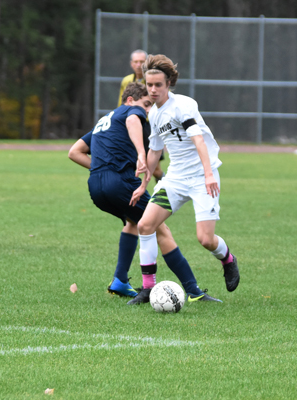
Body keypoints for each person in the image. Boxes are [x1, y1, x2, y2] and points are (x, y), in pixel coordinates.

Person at [69, 82, 218, 304]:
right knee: (160, 229)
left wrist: (103, 168)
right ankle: (194, 291)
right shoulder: (132, 112)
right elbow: (133, 121)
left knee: (133, 223)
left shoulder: (106, 119)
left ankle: (120, 280)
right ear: (130, 100)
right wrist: (140, 152)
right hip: (120, 183)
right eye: (146, 104)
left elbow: (74, 152)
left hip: (96, 187)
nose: (149, 110)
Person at [128, 54, 240, 305]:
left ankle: (227, 259)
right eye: (149, 85)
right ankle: (148, 288)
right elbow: (155, 151)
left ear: (169, 84)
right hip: (175, 181)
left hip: (202, 178)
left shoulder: (184, 106)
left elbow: (198, 139)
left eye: (158, 84)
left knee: (205, 239)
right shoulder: (154, 115)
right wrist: (144, 184)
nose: (153, 89)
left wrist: (209, 173)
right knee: (145, 226)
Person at [118, 49, 165, 182]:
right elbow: (122, 103)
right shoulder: (126, 80)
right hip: (131, 124)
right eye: (136, 62)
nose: (138, 64)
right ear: (131, 63)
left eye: (141, 62)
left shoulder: (153, 79)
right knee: (129, 162)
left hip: (149, 125)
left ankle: (164, 187)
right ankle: (131, 193)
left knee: (154, 167)